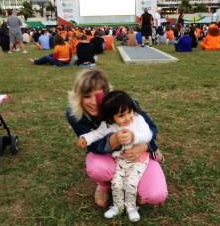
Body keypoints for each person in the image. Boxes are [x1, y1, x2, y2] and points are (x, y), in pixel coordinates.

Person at [66, 69, 168, 210]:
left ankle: (139, 181)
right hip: (109, 155)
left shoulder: (122, 103)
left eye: (98, 96)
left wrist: (144, 146)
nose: (94, 102)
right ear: (79, 97)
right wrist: (111, 140)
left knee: (156, 194)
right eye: (87, 96)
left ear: (107, 93)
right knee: (97, 168)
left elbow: (151, 128)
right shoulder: (74, 114)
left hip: (138, 153)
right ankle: (104, 185)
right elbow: (92, 146)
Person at [78, 90, 152, 222]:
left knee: (130, 183)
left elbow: (148, 135)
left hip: (138, 161)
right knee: (116, 183)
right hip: (120, 160)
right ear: (111, 118)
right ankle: (117, 206)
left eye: (129, 112)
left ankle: (131, 207)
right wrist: (85, 138)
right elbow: (96, 134)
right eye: (121, 115)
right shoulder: (108, 126)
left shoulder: (138, 120)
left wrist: (134, 137)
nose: (128, 117)